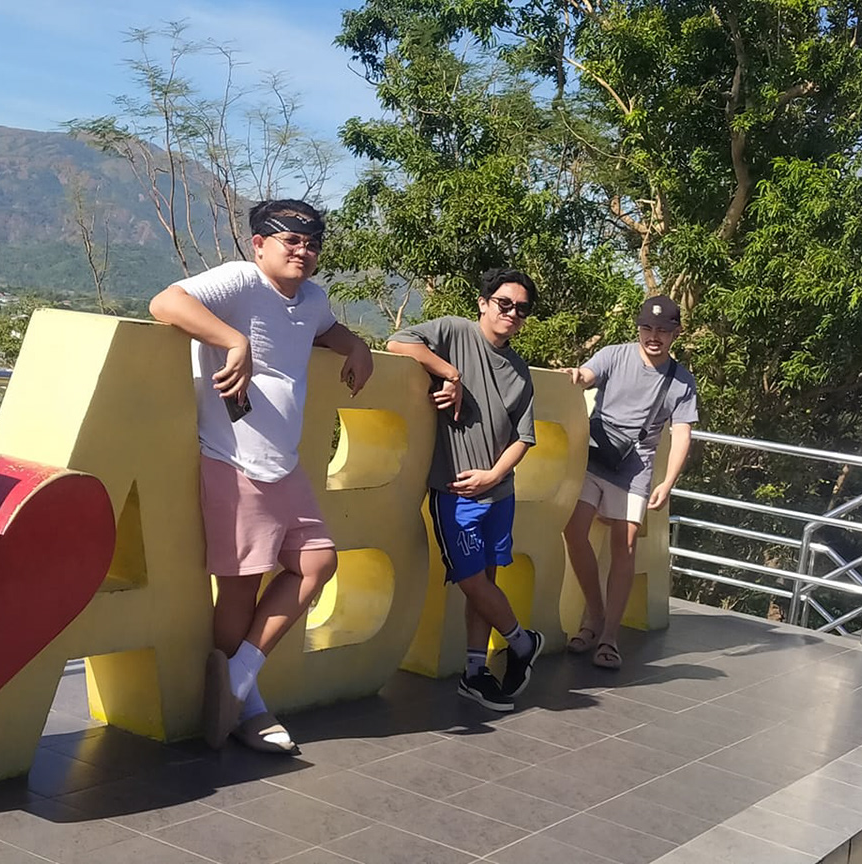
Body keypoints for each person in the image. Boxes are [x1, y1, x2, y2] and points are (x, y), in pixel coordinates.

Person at [148, 199, 374, 755]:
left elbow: (326, 329)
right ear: (259, 245)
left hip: (285, 464)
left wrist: (355, 345)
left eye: (312, 242)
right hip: (233, 460)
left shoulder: (312, 298)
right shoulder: (241, 281)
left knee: (318, 563)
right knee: (241, 588)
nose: (303, 250)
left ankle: (237, 677)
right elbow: (165, 302)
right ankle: (247, 710)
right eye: (291, 240)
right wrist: (234, 341)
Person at [385, 269, 545, 712]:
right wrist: (450, 374)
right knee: (472, 580)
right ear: (483, 303)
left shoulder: (520, 371)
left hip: (499, 491)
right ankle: (523, 642)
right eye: (504, 303)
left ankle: (474, 673)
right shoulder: (455, 332)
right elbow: (397, 342)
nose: (512, 313)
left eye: (521, 308)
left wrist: (494, 476)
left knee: (485, 584)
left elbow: (524, 438)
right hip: (455, 492)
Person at [561, 295, 696, 669]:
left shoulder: (681, 381)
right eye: (647, 328)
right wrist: (575, 376)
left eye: (663, 330)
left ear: (675, 333)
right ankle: (595, 614)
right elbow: (586, 375)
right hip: (594, 456)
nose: (654, 336)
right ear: (638, 328)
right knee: (574, 530)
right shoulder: (614, 355)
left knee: (626, 547)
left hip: (635, 468)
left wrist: (668, 482)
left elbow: (682, 434)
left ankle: (608, 637)